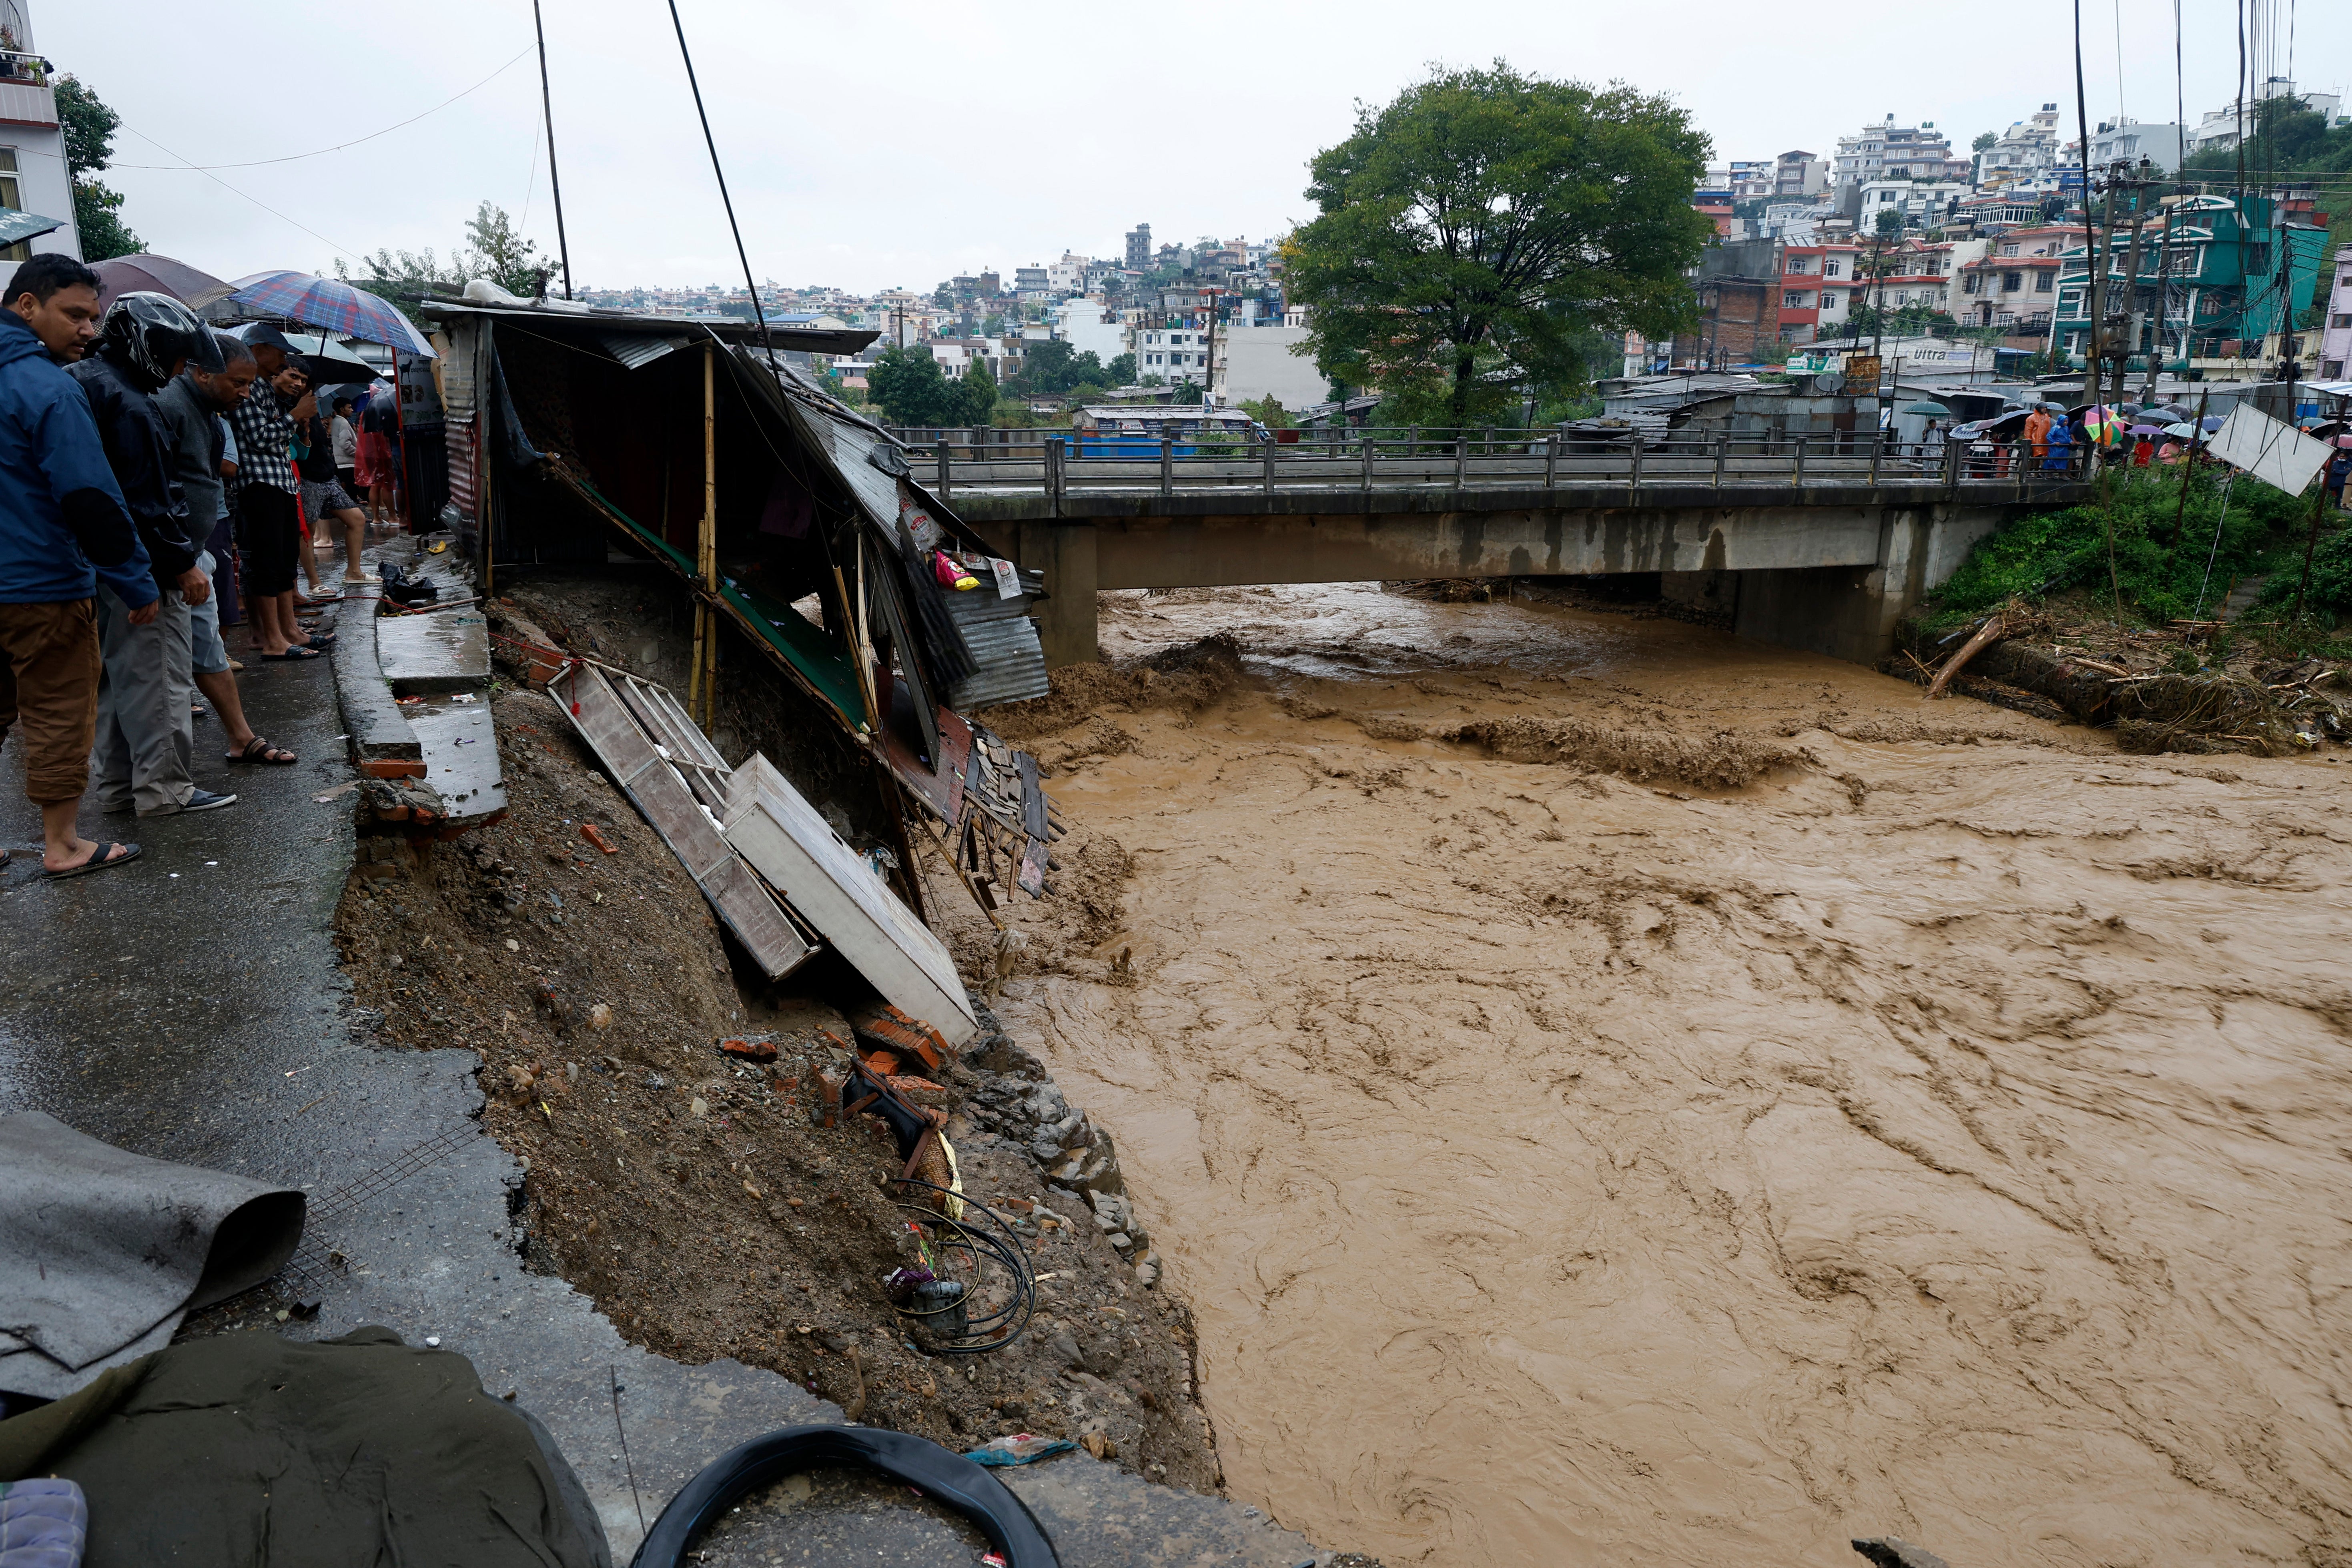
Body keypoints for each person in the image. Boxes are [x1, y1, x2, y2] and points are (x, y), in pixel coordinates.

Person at [0, 254, 155, 876]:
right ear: (27, 304)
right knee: (59, 708)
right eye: (75, 314)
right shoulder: (48, 387)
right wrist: (135, 579)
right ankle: (63, 843)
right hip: (41, 585)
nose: (88, 330)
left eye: (93, 317)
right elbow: (90, 496)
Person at [66, 292, 237, 819]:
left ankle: (123, 787)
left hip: (98, 564)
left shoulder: (85, 385)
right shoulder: (132, 405)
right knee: (159, 676)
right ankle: (164, 787)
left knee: (118, 682)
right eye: (175, 354)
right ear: (147, 344)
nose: (180, 367)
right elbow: (148, 500)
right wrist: (181, 564)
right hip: (141, 567)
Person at [156, 330, 295, 768]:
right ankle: (161, 780)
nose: (246, 392)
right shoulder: (168, 407)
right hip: (170, 558)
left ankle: (241, 738)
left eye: (250, 384)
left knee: (208, 648)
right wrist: (179, 559)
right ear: (202, 373)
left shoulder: (209, 413)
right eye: (238, 383)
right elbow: (154, 492)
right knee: (162, 666)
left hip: (192, 552)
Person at [226, 327, 323, 661]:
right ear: (259, 348)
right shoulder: (247, 389)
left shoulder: (265, 390)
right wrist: (295, 416)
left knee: (283, 561)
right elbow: (258, 438)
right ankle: (272, 639)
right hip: (258, 485)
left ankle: (289, 630)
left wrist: (297, 413)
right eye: (279, 355)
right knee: (266, 564)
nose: (283, 362)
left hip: (279, 482)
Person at [296, 392, 373, 585]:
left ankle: (354, 572)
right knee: (308, 532)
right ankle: (315, 583)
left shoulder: (316, 416)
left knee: (357, 519)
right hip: (308, 479)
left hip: (328, 476)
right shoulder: (291, 413)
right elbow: (299, 451)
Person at [329, 395, 358, 496]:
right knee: (351, 493)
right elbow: (345, 444)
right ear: (342, 409)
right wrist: (358, 453)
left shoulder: (336, 421)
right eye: (349, 408)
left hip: (341, 462)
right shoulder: (343, 423)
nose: (352, 410)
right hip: (348, 463)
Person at [2023, 402, 2052, 466]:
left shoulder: (2046, 416)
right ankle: (2028, 472)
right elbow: (2028, 430)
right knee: (2032, 457)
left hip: (2045, 440)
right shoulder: (2031, 418)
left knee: (2041, 457)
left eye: (2046, 408)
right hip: (2035, 441)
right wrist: (2029, 441)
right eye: (2043, 408)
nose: (2045, 409)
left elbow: (2048, 428)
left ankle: (2036, 473)